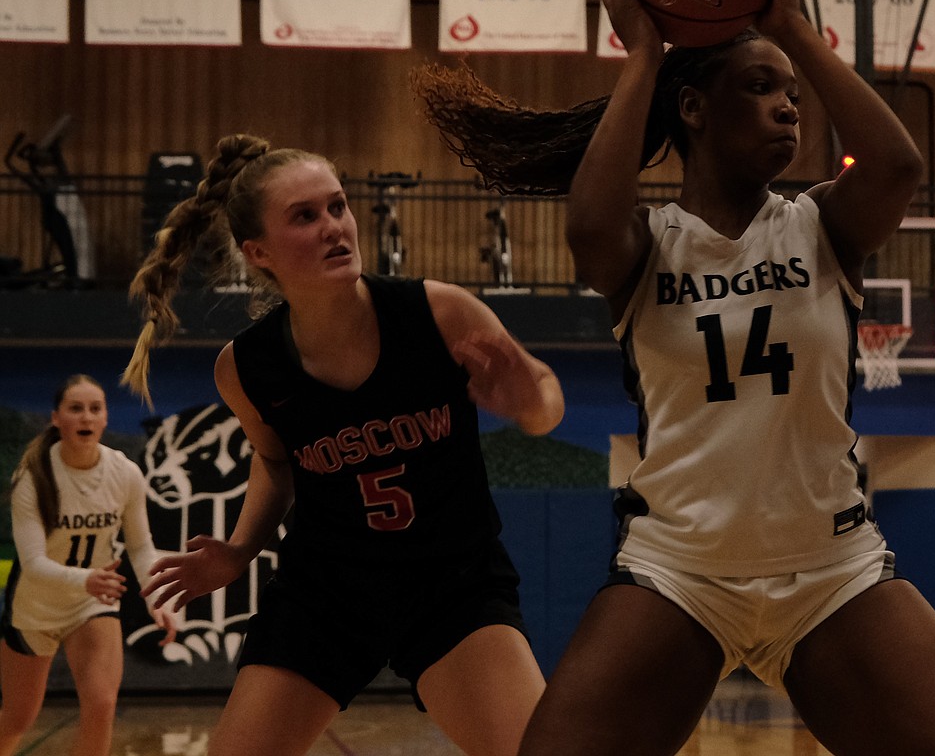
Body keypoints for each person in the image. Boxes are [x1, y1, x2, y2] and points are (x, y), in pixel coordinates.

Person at [412, 0, 935, 755]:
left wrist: (790, 28)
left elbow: (899, 165)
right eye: (761, 88)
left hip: (829, 568)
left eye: (793, 97)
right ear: (692, 108)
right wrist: (645, 56)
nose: (786, 110)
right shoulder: (647, 247)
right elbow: (588, 221)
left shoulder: (817, 226)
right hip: (679, 570)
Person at [120, 135, 564, 756]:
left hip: (452, 585)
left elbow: (543, 400)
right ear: (259, 252)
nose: (334, 227)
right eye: (305, 216)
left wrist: (528, 402)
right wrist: (241, 549)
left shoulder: (437, 312)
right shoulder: (246, 368)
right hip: (326, 593)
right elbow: (277, 459)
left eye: (337, 206)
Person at [0, 374, 177, 756]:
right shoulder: (33, 476)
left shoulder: (125, 472)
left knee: (101, 704)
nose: (86, 416)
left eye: (95, 408)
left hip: (92, 602)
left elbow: (141, 546)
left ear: (105, 419)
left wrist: (155, 600)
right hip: (36, 606)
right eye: (75, 408)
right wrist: (86, 579)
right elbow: (32, 564)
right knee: (18, 718)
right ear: (56, 419)